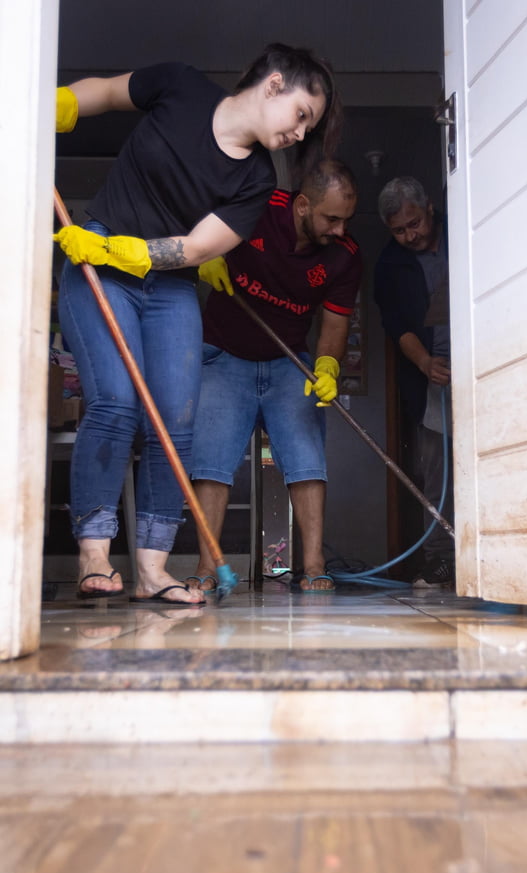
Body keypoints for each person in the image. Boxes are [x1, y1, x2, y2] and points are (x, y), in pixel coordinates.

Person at [53, 44, 341, 604]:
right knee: (114, 402)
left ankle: (154, 568)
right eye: (303, 115)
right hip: (95, 270)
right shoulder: (181, 86)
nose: (301, 134)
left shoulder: (257, 180)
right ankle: (93, 556)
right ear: (275, 84)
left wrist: (124, 251)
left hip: (168, 287)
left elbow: (194, 247)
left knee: (174, 422)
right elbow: (109, 92)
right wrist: (63, 103)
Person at [187, 159, 362, 595]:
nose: (340, 230)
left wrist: (328, 366)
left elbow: (335, 324)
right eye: (332, 218)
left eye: (347, 220)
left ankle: (314, 566)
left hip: (290, 364)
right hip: (224, 356)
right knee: (212, 465)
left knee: (306, 462)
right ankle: (207, 568)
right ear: (303, 205)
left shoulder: (344, 257)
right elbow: (200, 218)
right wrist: (206, 256)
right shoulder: (257, 207)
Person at [374, 175, 455, 588]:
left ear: (430, 210)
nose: (410, 235)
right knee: (436, 471)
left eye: (414, 223)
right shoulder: (390, 265)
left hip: (485, 361)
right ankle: (441, 560)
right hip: (433, 381)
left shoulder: (466, 230)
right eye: (399, 230)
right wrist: (426, 364)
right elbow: (398, 326)